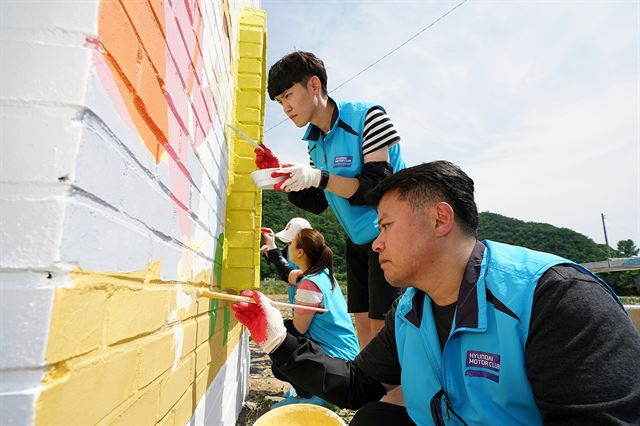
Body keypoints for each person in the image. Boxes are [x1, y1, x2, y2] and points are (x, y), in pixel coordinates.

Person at [233, 161, 640, 425]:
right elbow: (358, 383)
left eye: (386, 226)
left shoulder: (557, 299)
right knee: (375, 420)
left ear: (440, 219)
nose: (375, 244)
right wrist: (279, 340)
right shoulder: (411, 307)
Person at [255, 51, 406, 351]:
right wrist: (284, 180)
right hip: (355, 240)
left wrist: (318, 177)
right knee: (363, 326)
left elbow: (377, 187)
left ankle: (394, 399)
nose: (285, 107)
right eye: (279, 102)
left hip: (388, 233)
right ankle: (371, 396)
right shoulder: (314, 141)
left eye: (288, 95)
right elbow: (322, 202)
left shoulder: (368, 117)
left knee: (384, 332)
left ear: (313, 85)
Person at [267, 228, 360, 408]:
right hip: (348, 355)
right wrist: (272, 248)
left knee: (280, 346)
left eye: (290, 244)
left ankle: (312, 396)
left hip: (337, 360)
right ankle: (312, 390)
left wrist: (267, 316)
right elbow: (287, 274)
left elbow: (297, 330)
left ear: (300, 252)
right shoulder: (322, 274)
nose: (288, 247)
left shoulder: (309, 284)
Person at [260, 217, 312, 303]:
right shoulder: (291, 248)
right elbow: (282, 259)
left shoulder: (313, 271)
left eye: (290, 242)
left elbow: (287, 273)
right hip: (297, 301)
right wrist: (270, 249)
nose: (289, 245)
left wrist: (273, 249)